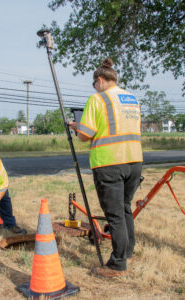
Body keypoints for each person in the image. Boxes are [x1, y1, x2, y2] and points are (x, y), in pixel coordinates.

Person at [69, 58, 143, 277]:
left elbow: (85, 135)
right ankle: (127, 251)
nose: (94, 88)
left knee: (115, 215)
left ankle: (117, 264)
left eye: (94, 84)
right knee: (125, 207)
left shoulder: (97, 99)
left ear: (99, 80)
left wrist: (76, 126)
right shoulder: (132, 98)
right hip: (134, 160)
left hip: (109, 163)